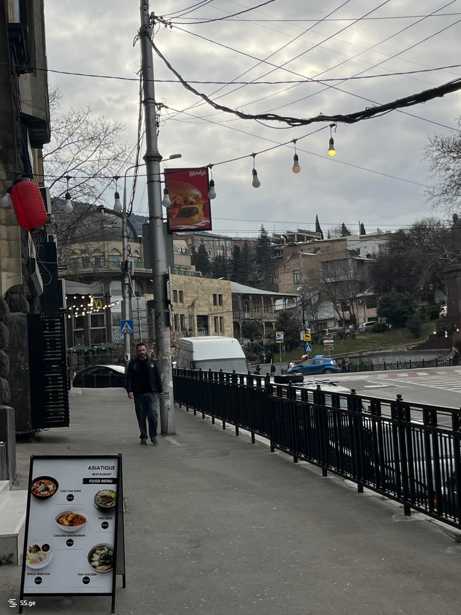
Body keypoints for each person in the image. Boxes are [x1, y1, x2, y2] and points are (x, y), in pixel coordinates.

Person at [126, 342, 162, 446]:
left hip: (152, 393)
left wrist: (160, 391)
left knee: (153, 415)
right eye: (139, 350)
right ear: (136, 352)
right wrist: (129, 391)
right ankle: (144, 436)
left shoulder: (152, 363)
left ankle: (153, 436)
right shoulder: (133, 364)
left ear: (146, 350)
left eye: (143, 350)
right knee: (141, 417)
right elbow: (128, 378)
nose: (141, 352)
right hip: (138, 394)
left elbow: (158, 377)